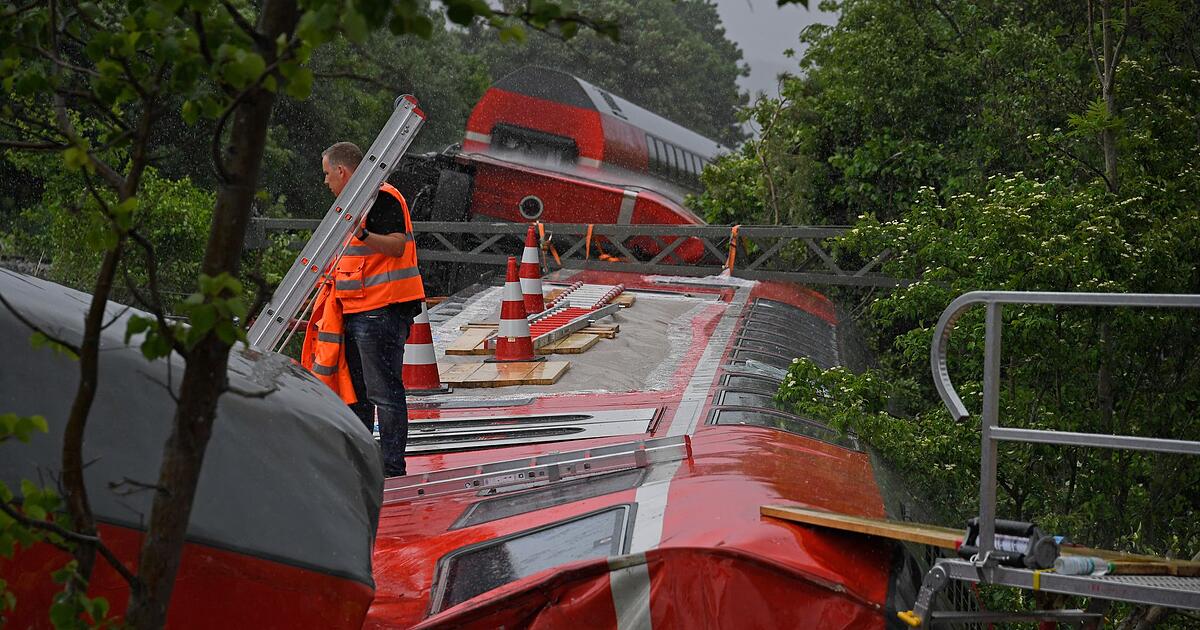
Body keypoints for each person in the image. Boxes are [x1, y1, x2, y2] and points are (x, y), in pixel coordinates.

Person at [316, 141, 425, 477]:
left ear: (341, 171)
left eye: (327, 174)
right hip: (357, 310)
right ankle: (366, 461)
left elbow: (396, 245)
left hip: (381, 310)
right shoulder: (351, 207)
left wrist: (362, 233)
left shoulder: (380, 197)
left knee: (383, 392)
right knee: (359, 392)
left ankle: (391, 465)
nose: (325, 182)